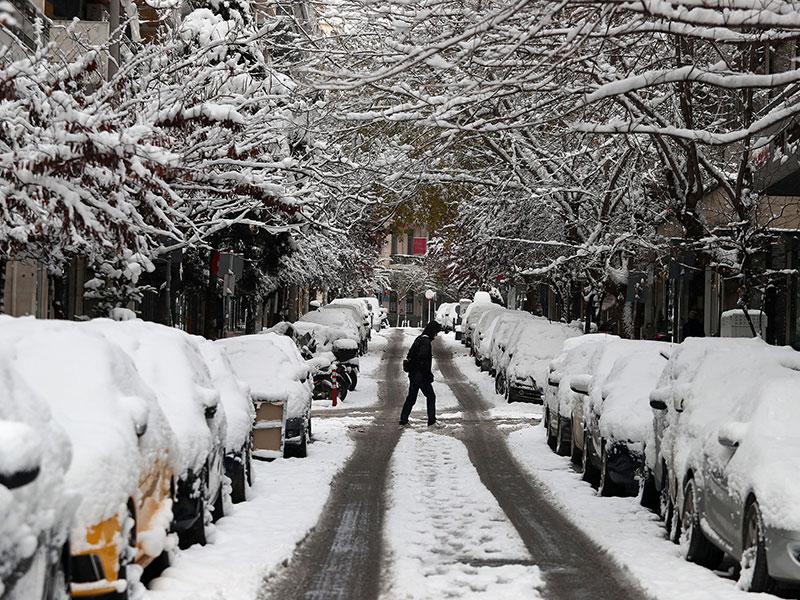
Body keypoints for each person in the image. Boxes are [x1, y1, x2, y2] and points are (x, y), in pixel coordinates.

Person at [399, 321, 443, 427]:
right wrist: (427, 375)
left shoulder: (419, 339)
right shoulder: (426, 342)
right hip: (421, 376)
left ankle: (403, 420)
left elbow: (410, 355)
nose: (435, 335)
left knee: (411, 398)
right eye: (435, 333)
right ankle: (431, 421)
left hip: (414, 374)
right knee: (431, 396)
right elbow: (422, 360)